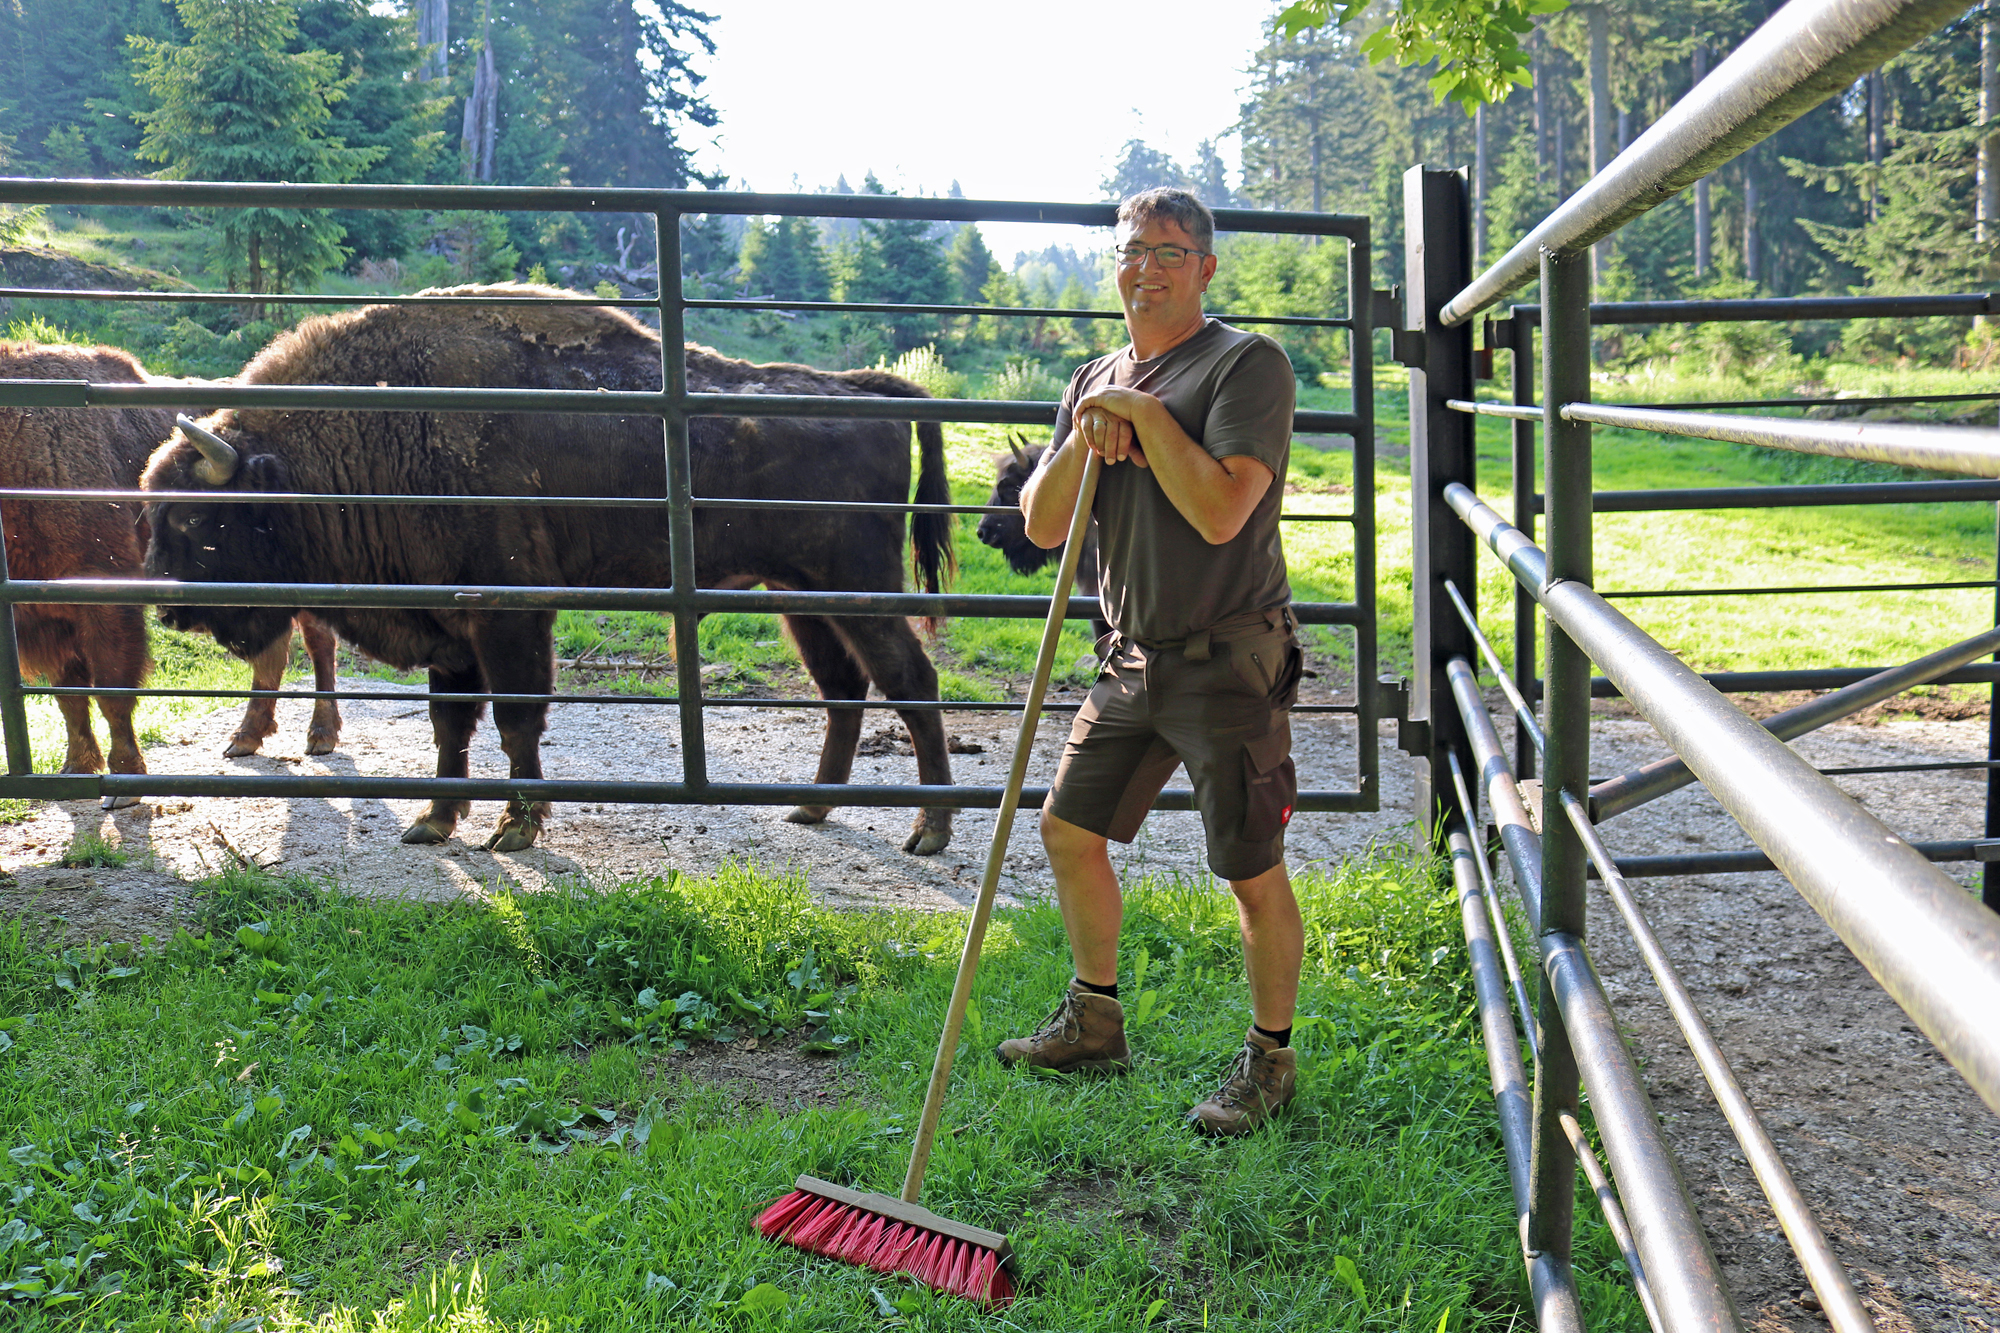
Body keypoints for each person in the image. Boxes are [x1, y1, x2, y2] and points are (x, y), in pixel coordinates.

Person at [998, 187, 1304, 1135]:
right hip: (1130, 661)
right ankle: (1095, 1017)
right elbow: (1043, 528)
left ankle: (1270, 1059)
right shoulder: (1093, 376)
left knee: (1249, 869)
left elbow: (1222, 511)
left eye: (1171, 251)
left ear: (1206, 267)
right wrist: (1092, 423)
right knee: (1066, 830)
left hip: (1227, 656)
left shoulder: (1245, 366)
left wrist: (1147, 415)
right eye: (1134, 250)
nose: (1148, 266)